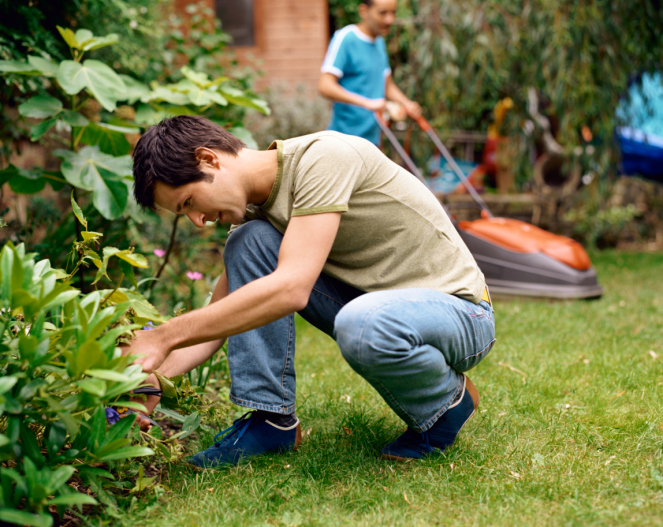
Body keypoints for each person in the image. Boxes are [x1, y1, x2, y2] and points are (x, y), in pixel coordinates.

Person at [127, 115, 495, 468]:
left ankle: (446, 404)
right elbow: (220, 319)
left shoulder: (324, 158)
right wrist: (150, 382)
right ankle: (271, 421)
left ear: (208, 158)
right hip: (376, 309)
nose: (198, 222)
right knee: (247, 242)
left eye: (189, 202)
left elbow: (291, 289)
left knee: (360, 321)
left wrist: (161, 336)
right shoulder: (258, 215)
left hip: (460, 312)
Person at [318, 0, 421, 145]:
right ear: (364, 11)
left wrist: (406, 103)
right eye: (383, 13)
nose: (390, 19)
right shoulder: (346, 38)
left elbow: (387, 85)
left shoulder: (379, 43)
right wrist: (368, 103)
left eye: (393, 13)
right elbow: (325, 86)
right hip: (344, 140)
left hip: (372, 140)